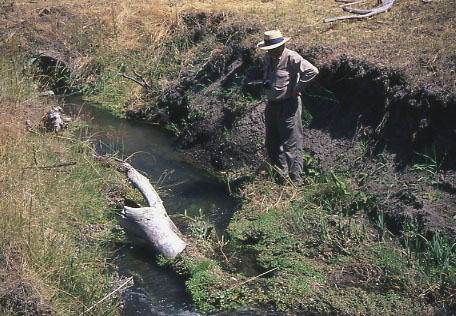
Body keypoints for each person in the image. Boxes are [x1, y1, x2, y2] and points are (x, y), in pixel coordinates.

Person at [257, 30, 319, 186]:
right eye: (269, 49)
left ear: (282, 45)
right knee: (272, 144)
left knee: (292, 146)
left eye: (275, 48)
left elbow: (312, 71)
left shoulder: (291, 57)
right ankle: (281, 178)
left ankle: (296, 183)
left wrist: (297, 88)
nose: (272, 51)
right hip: (272, 105)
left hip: (288, 106)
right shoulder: (268, 57)